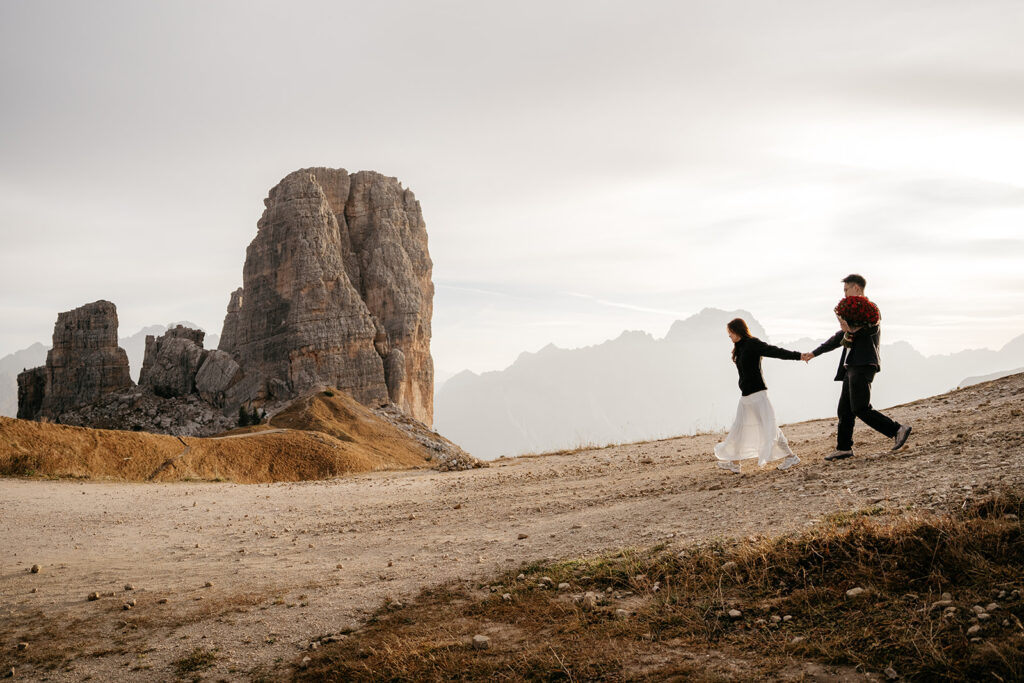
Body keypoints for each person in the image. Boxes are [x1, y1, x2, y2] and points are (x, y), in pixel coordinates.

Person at [801, 274, 912, 460]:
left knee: (860, 407)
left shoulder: (871, 311)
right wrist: (814, 353)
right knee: (844, 409)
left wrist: (849, 329)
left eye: (846, 290)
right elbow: (840, 338)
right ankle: (844, 448)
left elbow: (868, 329)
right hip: (851, 365)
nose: (844, 295)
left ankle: (897, 429)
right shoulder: (854, 317)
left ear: (857, 289)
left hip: (863, 363)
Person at [714, 318, 802, 473]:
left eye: (731, 333)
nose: (729, 336)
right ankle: (735, 463)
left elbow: (775, 351)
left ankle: (790, 456)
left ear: (738, 330)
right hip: (746, 397)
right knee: (739, 429)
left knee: (769, 427)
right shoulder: (738, 348)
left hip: (758, 395)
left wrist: (799, 356)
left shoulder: (752, 344)